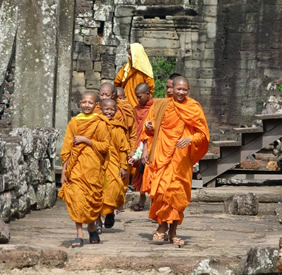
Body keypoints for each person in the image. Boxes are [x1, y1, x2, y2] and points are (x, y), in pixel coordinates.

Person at [141, 76, 210, 247]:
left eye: (183, 89)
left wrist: (190, 139)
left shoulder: (193, 107)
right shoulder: (161, 105)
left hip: (181, 158)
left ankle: (167, 230)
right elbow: (149, 130)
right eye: (177, 89)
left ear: (188, 90)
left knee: (177, 194)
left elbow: (202, 134)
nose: (180, 92)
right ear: (171, 88)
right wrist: (149, 128)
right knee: (163, 192)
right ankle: (168, 230)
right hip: (162, 155)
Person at [58, 92, 111, 248]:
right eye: (84, 102)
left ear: (96, 105)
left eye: (90, 103)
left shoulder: (100, 122)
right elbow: (67, 148)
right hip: (75, 168)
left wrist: (87, 141)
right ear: (80, 103)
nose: (87, 105)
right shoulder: (74, 122)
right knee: (77, 199)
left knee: (91, 200)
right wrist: (64, 172)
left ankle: (92, 227)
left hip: (93, 168)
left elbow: (104, 146)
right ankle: (79, 233)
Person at [98, 98, 130, 230]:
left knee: (114, 188)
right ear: (101, 109)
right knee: (97, 192)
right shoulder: (95, 124)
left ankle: (109, 211)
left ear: (116, 111)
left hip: (114, 163)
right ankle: (98, 221)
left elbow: (123, 149)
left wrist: (123, 166)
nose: (109, 112)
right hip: (97, 163)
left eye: (112, 110)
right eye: (107, 109)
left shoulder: (119, 127)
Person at [128, 83, 154, 211]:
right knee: (141, 172)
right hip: (139, 143)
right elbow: (134, 128)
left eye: (140, 97)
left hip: (151, 143)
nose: (138, 100)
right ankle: (142, 199)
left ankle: (154, 203)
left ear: (148, 94)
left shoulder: (155, 107)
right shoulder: (137, 109)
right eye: (136, 97)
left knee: (152, 173)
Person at [114, 43, 155, 107]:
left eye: (130, 54)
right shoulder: (127, 67)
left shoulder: (145, 71)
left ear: (136, 56)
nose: (128, 56)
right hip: (125, 103)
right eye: (128, 54)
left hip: (139, 105)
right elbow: (117, 82)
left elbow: (150, 89)